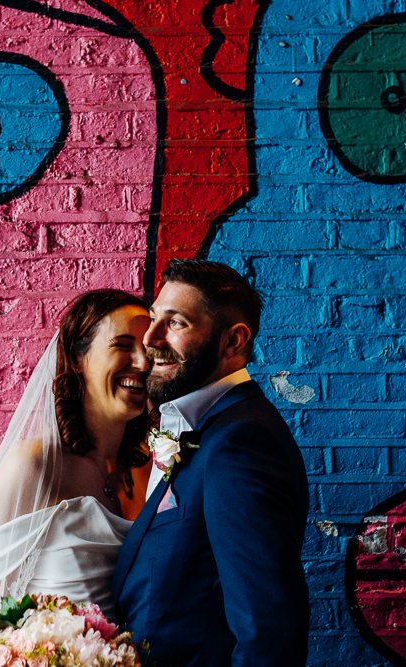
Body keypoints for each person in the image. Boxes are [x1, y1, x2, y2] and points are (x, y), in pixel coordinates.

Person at [112, 258, 310, 666]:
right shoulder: (206, 431)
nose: (151, 337)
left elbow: (267, 631)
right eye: (153, 318)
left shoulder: (242, 442)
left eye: (177, 323)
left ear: (234, 342)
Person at [0, 289, 151, 643]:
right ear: (78, 359)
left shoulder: (149, 467)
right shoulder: (34, 467)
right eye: (123, 345)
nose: (142, 362)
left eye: (149, 348)